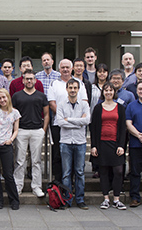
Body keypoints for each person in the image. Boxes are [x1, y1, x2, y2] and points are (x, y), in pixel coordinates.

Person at [47, 59, 88, 182]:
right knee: (58, 156)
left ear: (72, 69)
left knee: (77, 157)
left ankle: (74, 184)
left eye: (67, 67)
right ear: (59, 69)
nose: (65, 69)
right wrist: (62, 117)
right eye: (62, 67)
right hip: (58, 125)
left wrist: (70, 120)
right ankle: (60, 183)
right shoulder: (54, 84)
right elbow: (52, 103)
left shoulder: (79, 83)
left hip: (78, 127)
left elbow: (84, 103)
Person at [90, 83, 128, 210]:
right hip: (102, 144)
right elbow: (93, 128)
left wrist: (122, 145)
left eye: (110, 90)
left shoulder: (120, 108)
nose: (108, 92)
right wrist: (94, 146)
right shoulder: (98, 108)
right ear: (103, 92)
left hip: (115, 144)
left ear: (114, 92)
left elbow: (123, 128)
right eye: (106, 90)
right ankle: (106, 198)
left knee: (118, 171)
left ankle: (116, 198)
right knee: (104, 171)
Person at [12, 69, 49, 197]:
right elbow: (13, 114)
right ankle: (18, 186)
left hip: (37, 130)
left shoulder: (41, 96)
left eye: (31, 78)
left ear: (35, 80)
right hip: (21, 130)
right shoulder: (16, 96)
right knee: (20, 160)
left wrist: (43, 130)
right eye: (27, 78)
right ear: (23, 80)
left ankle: (37, 187)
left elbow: (46, 114)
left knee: (36, 161)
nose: (29, 81)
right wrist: (15, 131)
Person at [56, 79, 90, 210]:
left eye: (75, 88)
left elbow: (87, 120)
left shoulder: (84, 105)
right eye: (70, 87)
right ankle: (68, 200)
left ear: (78, 89)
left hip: (80, 142)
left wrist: (69, 120)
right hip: (65, 142)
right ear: (66, 89)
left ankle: (80, 200)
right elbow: (60, 122)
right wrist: (79, 122)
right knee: (66, 173)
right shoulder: (61, 104)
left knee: (80, 172)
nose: (73, 90)